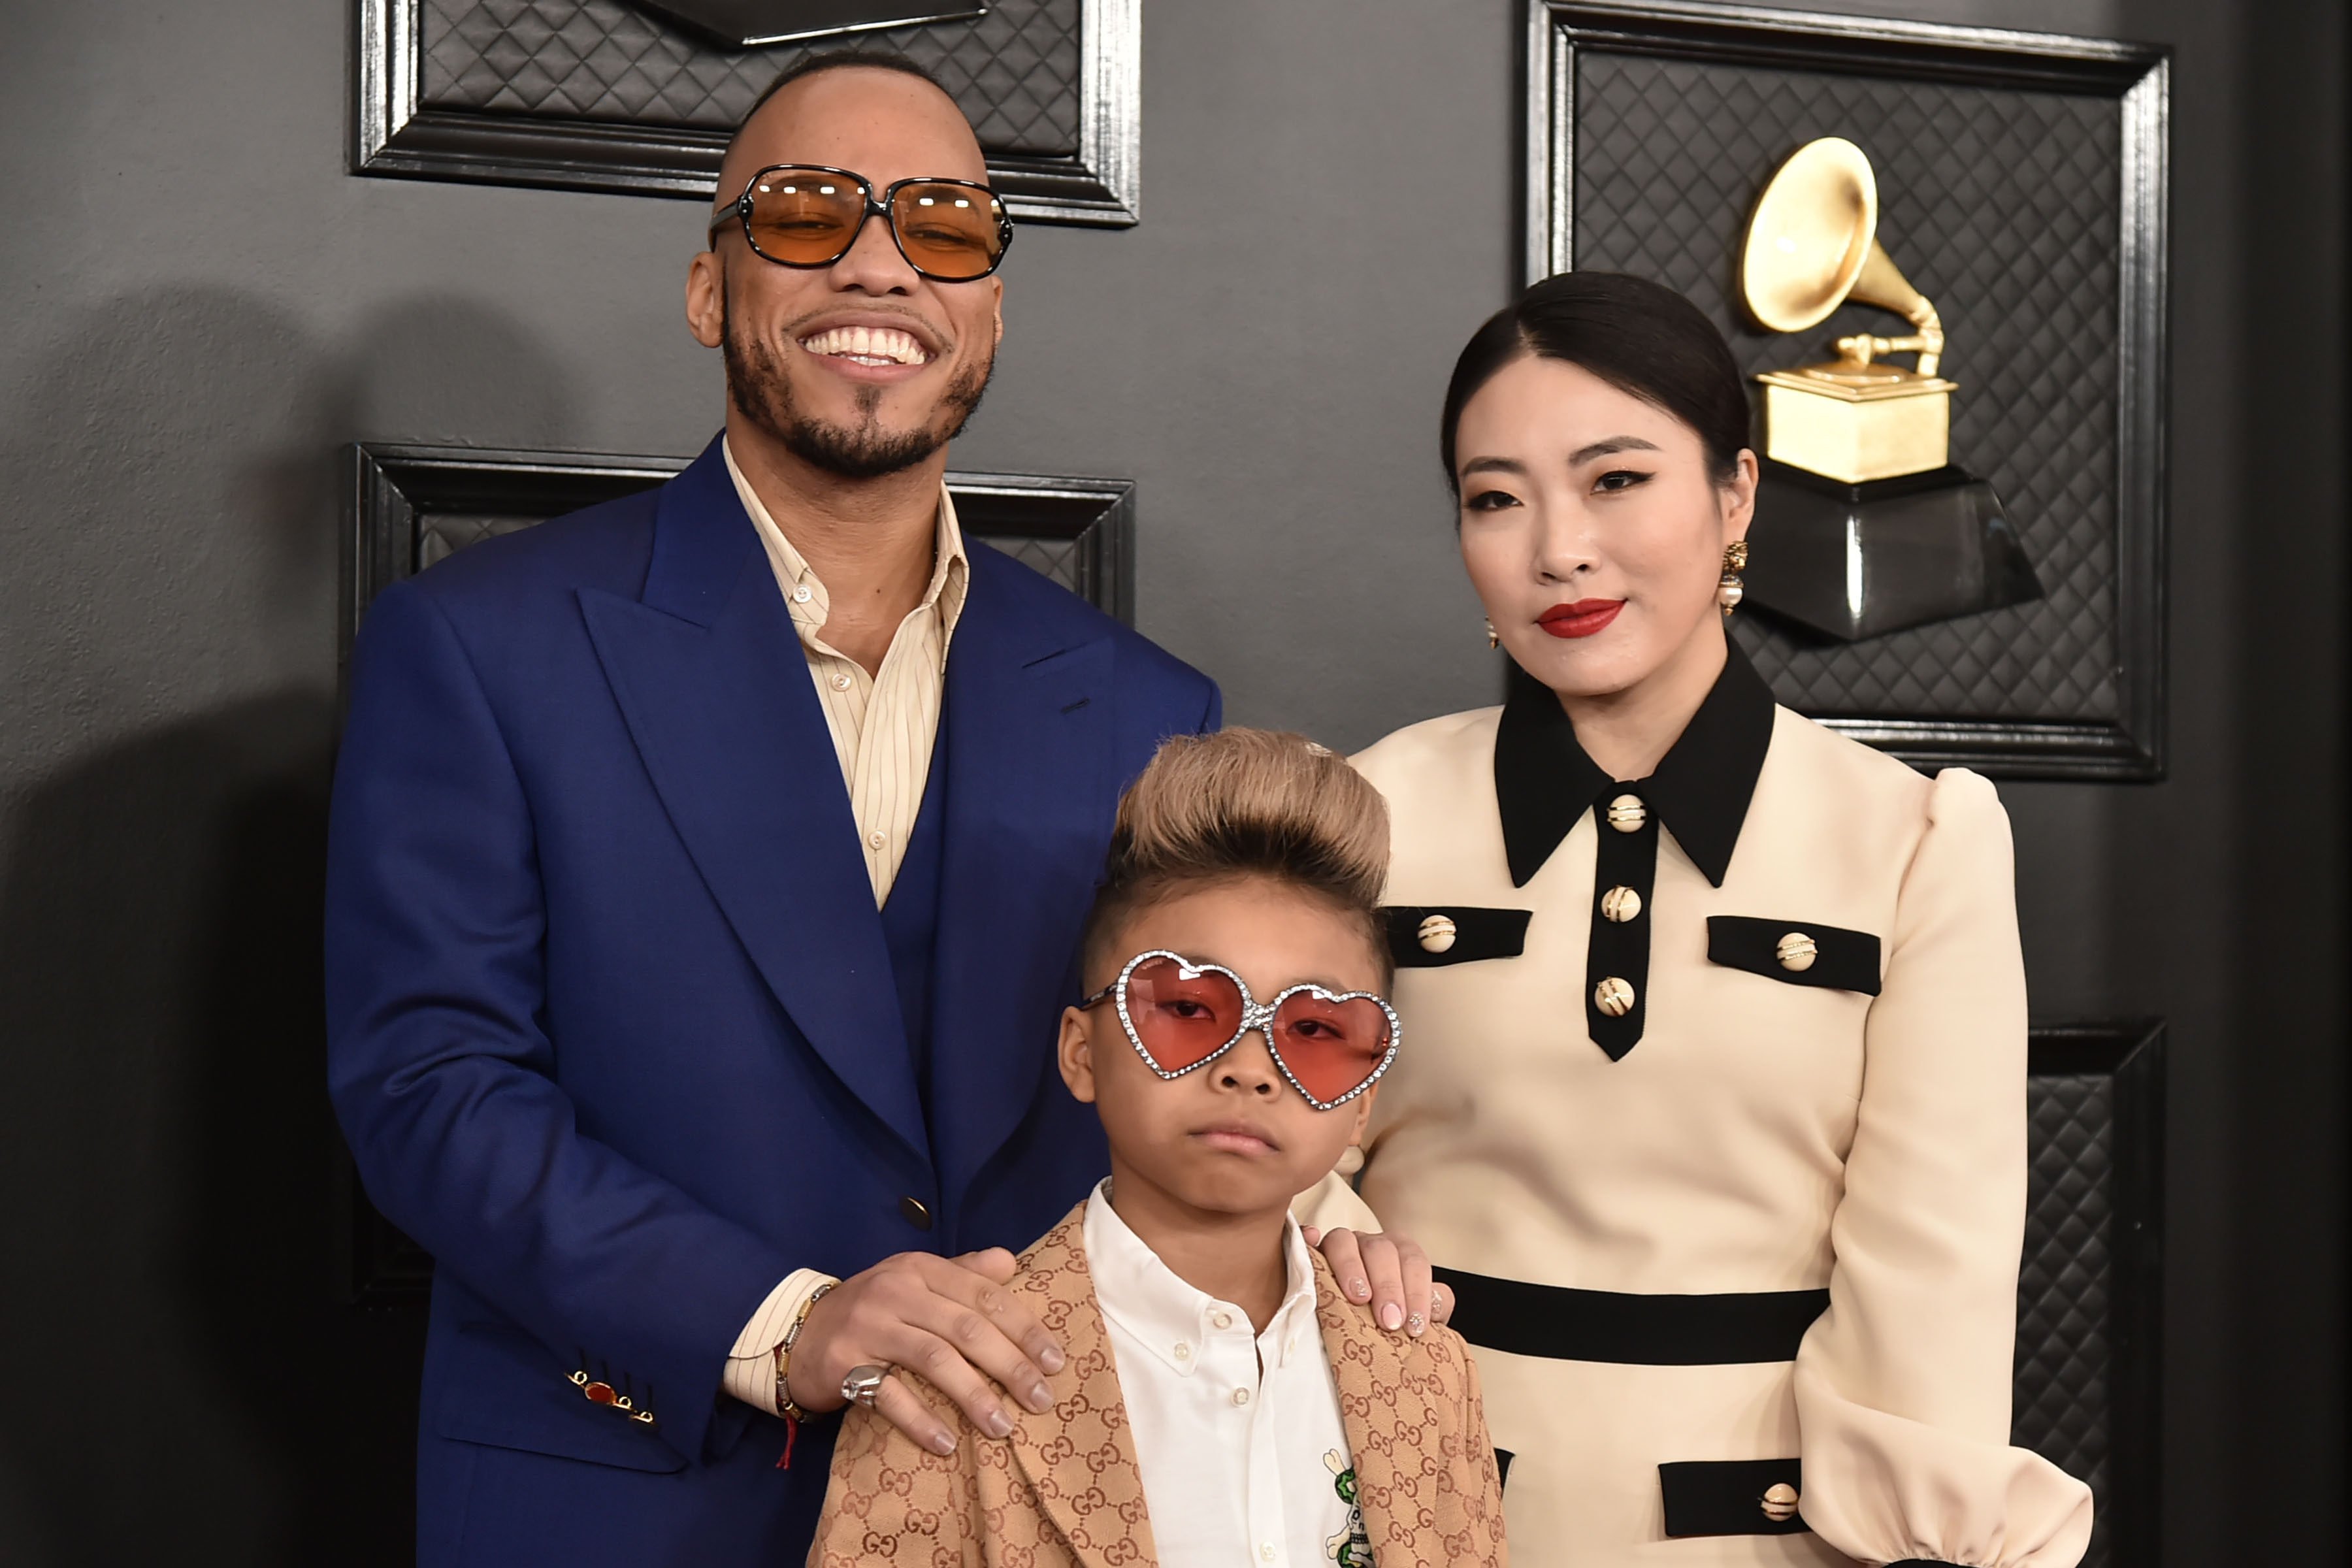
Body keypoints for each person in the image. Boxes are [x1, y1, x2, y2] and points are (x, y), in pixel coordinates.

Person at [325, 52, 1433, 1567]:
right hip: (619, 1495)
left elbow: (1183, 1040)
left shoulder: (1139, 702)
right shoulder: (478, 644)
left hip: (1031, 1498)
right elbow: (430, 1086)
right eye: (803, 212)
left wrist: (1334, 1217)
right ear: (711, 289)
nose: (875, 261)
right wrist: (779, 1321)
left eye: (943, 225)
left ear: (989, 307)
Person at [1299, 272, 2096, 1568]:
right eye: (1497, 499)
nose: (1558, 548)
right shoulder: (1363, 811)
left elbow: (1931, 1287)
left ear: (1736, 496)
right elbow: (1257, 1155)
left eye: (1616, 481)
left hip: (1777, 1537)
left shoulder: (1915, 843)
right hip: (1406, 1508)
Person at [810, 728, 1508, 1568]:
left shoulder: (1427, 1374)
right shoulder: (946, 1374)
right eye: (1186, 1009)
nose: (1250, 1068)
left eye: (1316, 1028)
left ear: (1362, 1104)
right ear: (1080, 1052)